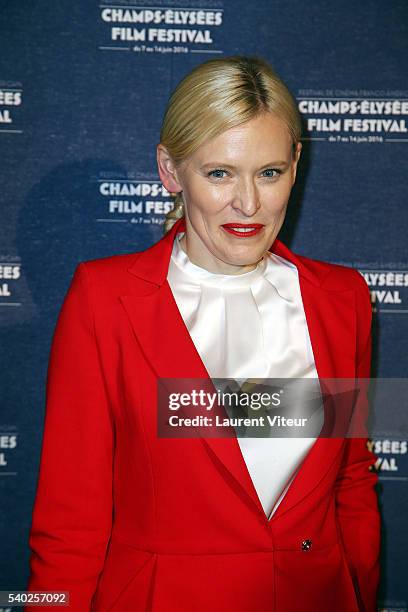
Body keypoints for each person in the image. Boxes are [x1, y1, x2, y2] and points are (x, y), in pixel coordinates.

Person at [25, 55, 380, 611]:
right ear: (170, 171)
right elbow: (67, 520)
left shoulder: (343, 298)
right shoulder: (104, 299)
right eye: (220, 173)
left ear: (295, 165)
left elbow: (351, 481)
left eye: (269, 172)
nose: (249, 204)